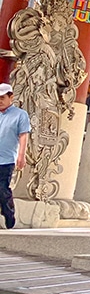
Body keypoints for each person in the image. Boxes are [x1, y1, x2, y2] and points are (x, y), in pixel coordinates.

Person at [0, 83, 30, 230]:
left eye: (2, 97)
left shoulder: (20, 115)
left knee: (2, 189)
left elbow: (23, 136)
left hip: (6, 159)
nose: (0, 100)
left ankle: (8, 213)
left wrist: (21, 155)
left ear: (10, 97)